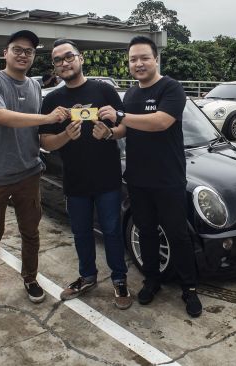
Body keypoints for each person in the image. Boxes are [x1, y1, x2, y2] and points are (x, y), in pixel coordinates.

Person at [0, 30, 70, 326]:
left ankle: (30, 280)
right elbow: (1, 116)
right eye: (18, 49)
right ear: (6, 52)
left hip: (28, 173)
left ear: (33, 57)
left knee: (31, 233)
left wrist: (63, 132)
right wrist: (48, 119)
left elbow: (38, 135)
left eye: (29, 51)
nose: (23, 54)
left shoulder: (36, 87)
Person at [98, 36, 202, 317]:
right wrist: (108, 131)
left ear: (156, 59)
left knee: (178, 234)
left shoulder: (171, 87)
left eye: (144, 57)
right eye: (133, 59)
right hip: (138, 178)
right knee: (146, 232)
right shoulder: (131, 95)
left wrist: (120, 116)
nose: (139, 63)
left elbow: (160, 121)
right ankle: (152, 280)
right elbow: (124, 130)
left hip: (168, 178)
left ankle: (189, 288)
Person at [38, 39, 132, 309]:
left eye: (69, 57)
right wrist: (66, 136)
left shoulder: (104, 90)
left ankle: (119, 280)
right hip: (75, 179)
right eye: (58, 60)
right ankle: (87, 276)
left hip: (108, 178)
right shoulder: (53, 100)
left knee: (112, 231)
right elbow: (45, 142)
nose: (65, 63)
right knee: (80, 232)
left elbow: (125, 126)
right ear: (54, 67)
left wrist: (110, 133)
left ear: (80, 59)